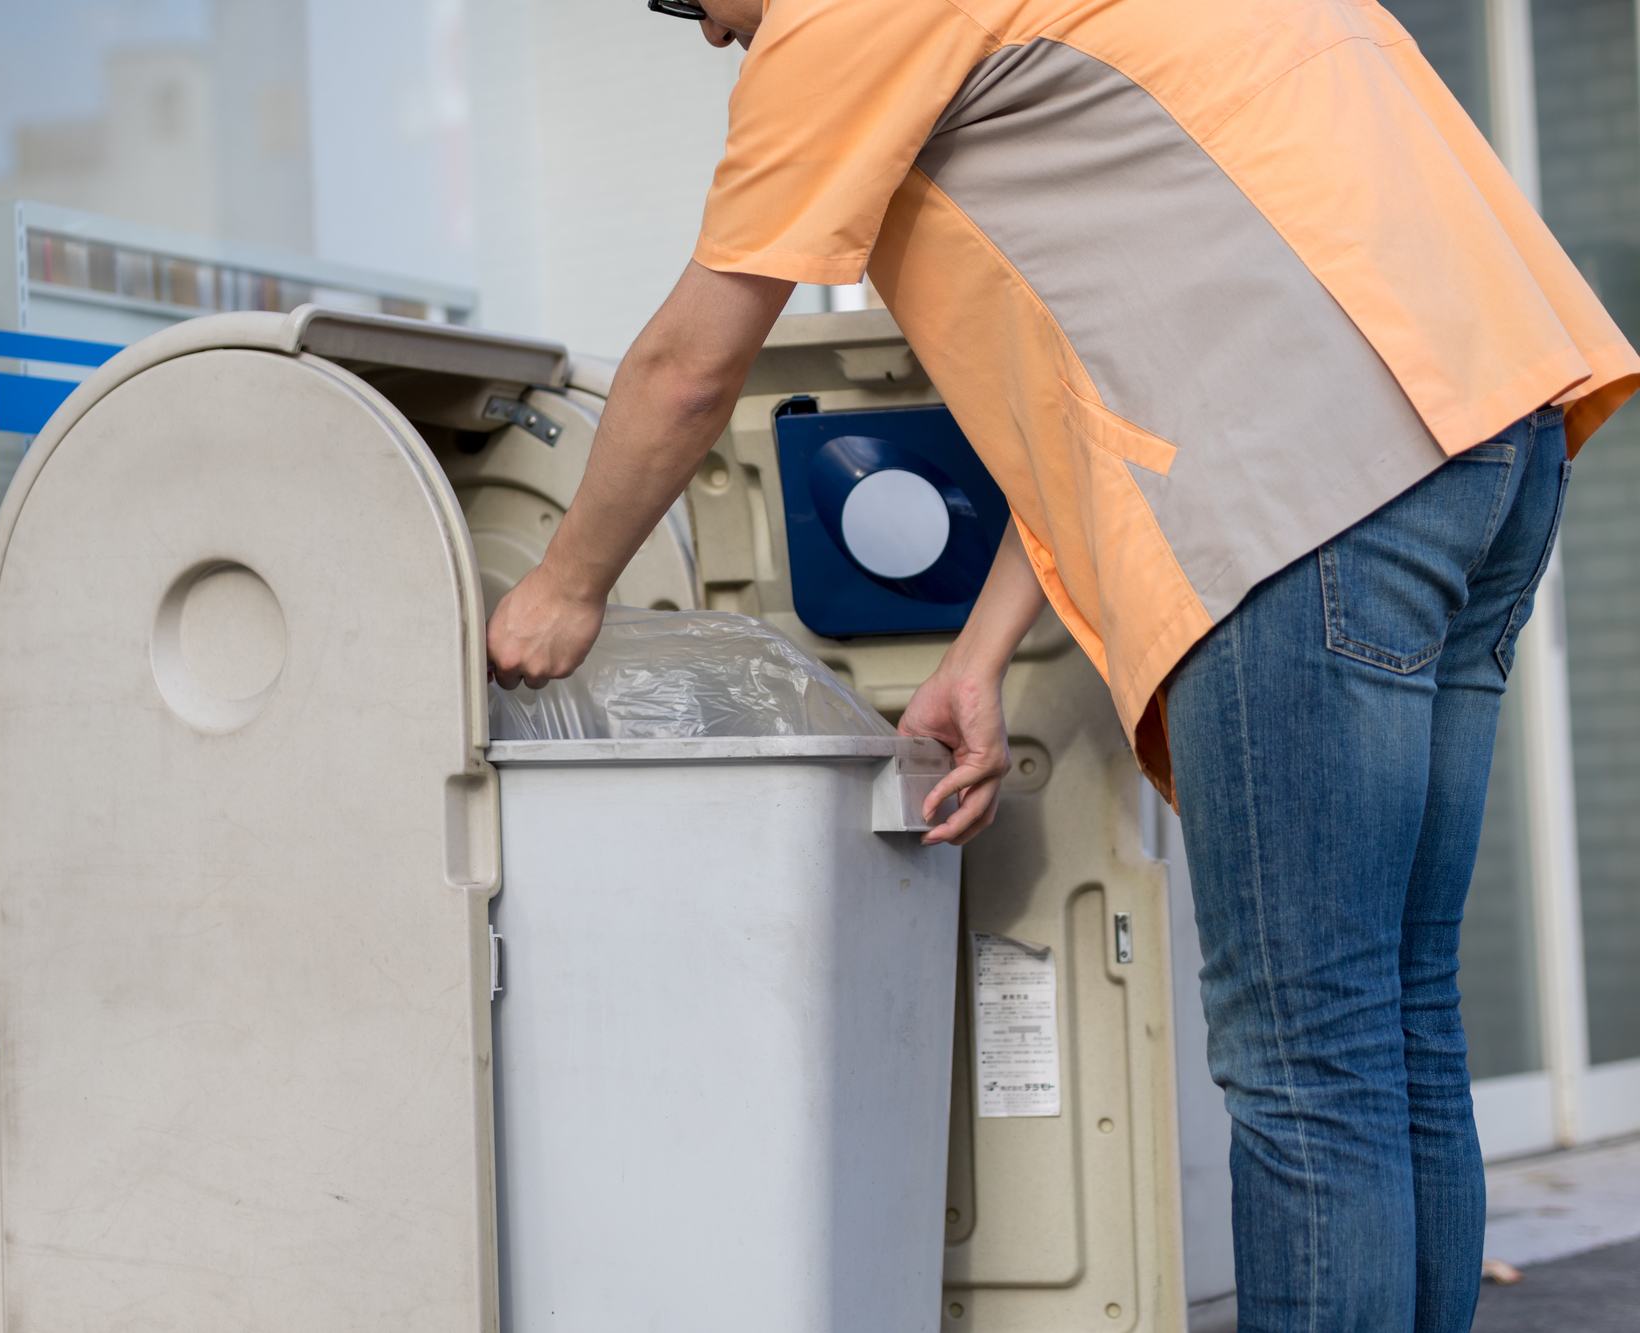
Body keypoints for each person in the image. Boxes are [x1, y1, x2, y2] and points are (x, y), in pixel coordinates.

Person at [483, 1, 1637, 1329]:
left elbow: (694, 363)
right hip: (1490, 427)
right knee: (1394, 1009)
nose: (703, 34)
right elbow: (1124, 369)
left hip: (1316, 466)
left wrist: (565, 586)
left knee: (1309, 1043)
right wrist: (982, 655)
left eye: (688, 1)